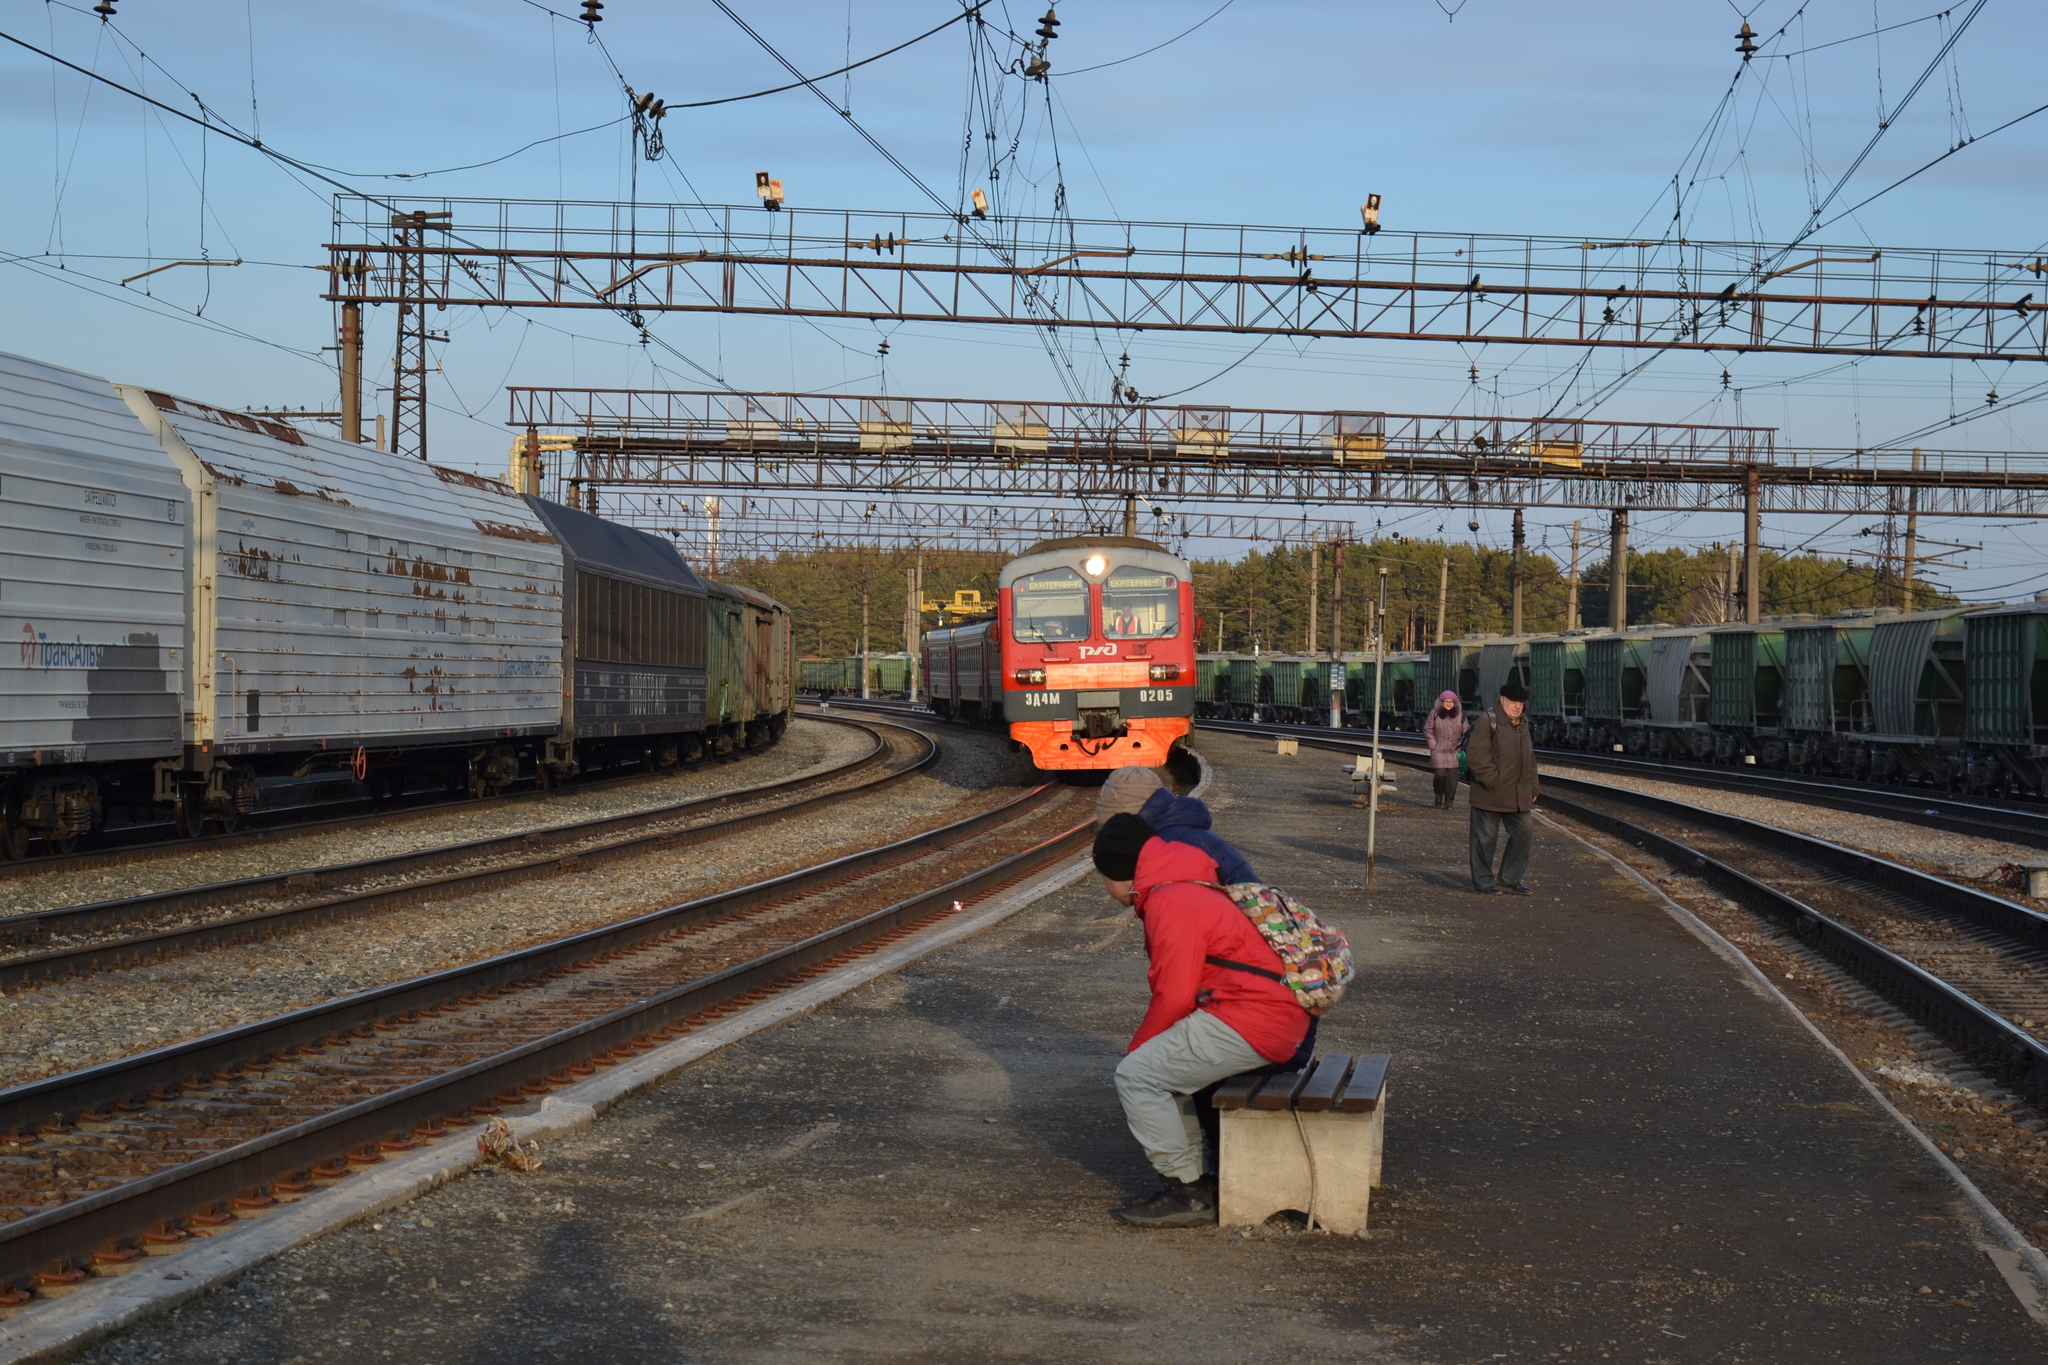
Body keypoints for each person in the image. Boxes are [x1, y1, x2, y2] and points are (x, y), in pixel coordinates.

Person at [1092, 813, 1310, 1228]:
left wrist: (1138, 1049)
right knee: (1158, 1070)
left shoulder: (1168, 900)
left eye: (1101, 874)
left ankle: (1188, 1193)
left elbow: (1174, 993)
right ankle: (1193, 1182)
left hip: (1254, 1019)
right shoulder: (1189, 883)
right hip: (1269, 1013)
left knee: (1137, 1075)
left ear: (1118, 871)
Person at [1465, 676, 1540, 894]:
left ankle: (1510, 878)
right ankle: (1484, 882)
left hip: (1517, 795)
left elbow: (1530, 758)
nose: (1518, 706)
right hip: (1489, 794)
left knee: (1524, 832)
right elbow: (1476, 757)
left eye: (1521, 702)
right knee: (1484, 840)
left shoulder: (1523, 724)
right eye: (1513, 701)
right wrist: (1492, 781)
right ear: (1502, 699)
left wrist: (1533, 787)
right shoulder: (1487, 721)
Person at [1423, 689, 1469, 810]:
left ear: (1455, 703)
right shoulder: (1435, 714)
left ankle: (1449, 802)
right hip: (1439, 750)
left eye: (1451, 701)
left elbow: (1466, 731)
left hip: (1455, 751)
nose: (1448, 704)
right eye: (1446, 701)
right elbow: (1428, 730)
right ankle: (1438, 795)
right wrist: (1433, 744)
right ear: (1441, 702)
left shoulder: (1461, 715)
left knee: (1452, 780)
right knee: (1440, 775)